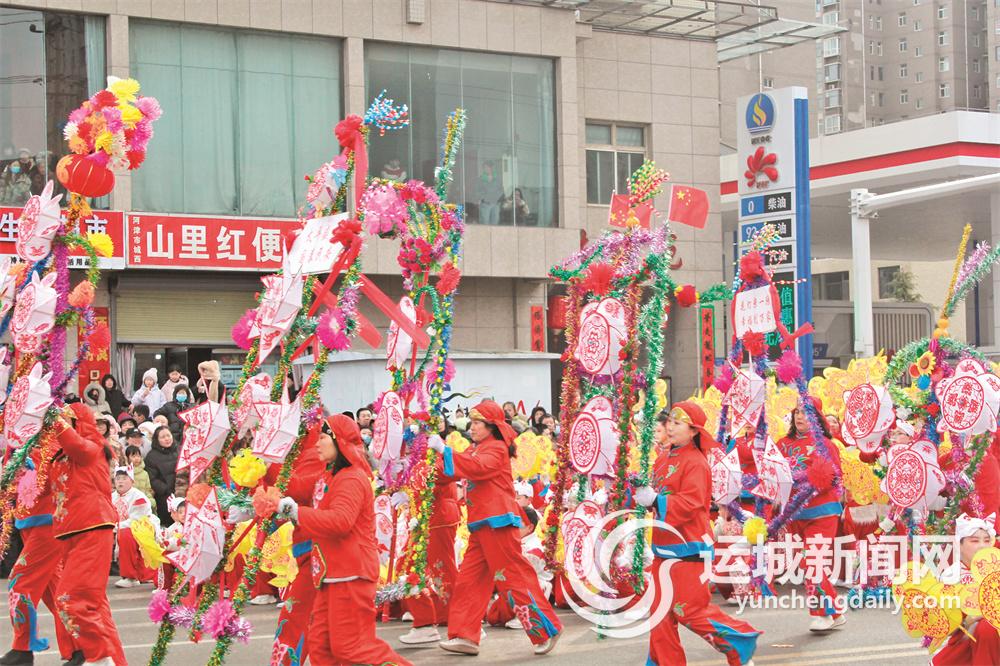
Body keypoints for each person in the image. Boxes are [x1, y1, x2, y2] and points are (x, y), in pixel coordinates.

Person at [428, 400, 562, 656]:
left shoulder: (497, 448)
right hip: (481, 525)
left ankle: (547, 630)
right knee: (469, 581)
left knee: (512, 578)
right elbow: (451, 471)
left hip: (498, 522)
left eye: (478, 423)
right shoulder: (476, 449)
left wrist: (444, 449)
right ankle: (465, 635)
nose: (473, 427)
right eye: (472, 422)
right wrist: (421, 465)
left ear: (492, 426)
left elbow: (475, 468)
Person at [276, 415, 412, 666]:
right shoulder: (329, 476)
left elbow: (340, 521)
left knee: (352, 648)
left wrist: (295, 512)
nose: (317, 443)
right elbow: (299, 492)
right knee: (321, 648)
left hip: (350, 574)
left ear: (339, 441)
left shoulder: (351, 478)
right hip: (330, 574)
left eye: (323, 438)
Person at [635, 402, 761, 666]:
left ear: (694, 431)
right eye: (669, 421)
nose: (670, 427)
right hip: (664, 546)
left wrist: (656, 500)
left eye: (677, 423)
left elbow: (691, 503)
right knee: (659, 615)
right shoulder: (663, 458)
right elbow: (656, 496)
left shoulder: (696, 462)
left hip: (689, 548)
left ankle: (739, 644)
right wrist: (641, 494)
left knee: (690, 611)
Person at [51, 403, 127, 666]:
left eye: (67, 421)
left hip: (92, 528)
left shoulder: (92, 448)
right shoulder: (62, 456)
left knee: (70, 599)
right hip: (70, 532)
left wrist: (52, 416)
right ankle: (112, 659)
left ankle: (99, 657)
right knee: (92, 604)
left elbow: (74, 444)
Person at [0, 448, 80, 666]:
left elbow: (55, 473)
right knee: (56, 593)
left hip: (47, 522)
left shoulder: (46, 434)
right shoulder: (15, 439)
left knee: (19, 582)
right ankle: (80, 647)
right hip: (28, 521)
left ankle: (22, 648)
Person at [776, 398, 845, 632]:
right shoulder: (782, 444)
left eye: (806, 412)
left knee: (812, 562)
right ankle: (835, 611)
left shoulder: (825, 444)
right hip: (795, 515)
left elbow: (836, 477)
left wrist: (816, 480)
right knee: (809, 563)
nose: (800, 416)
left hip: (822, 513)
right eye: (797, 411)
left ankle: (822, 614)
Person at [267, 423, 327, 665]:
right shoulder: (298, 454)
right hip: (312, 548)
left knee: (298, 614)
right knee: (324, 626)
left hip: (321, 550)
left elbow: (300, 489)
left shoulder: (315, 453)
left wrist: (269, 465)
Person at [399, 459, 461, 645]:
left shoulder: (436, 453)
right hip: (425, 518)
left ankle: (462, 620)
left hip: (437, 516)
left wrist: (408, 479)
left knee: (442, 571)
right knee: (407, 567)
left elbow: (447, 471)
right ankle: (426, 621)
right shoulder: (416, 455)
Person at [931, 514, 1000, 664]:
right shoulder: (951, 576)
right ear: (959, 545)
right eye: (974, 541)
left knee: (987, 628)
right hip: (966, 641)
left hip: (994, 638)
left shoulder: (997, 569)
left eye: (987, 540)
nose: (982, 546)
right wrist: (968, 621)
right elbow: (946, 628)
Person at [111, 466, 156, 588]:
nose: (120, 481)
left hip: (141, 529)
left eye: (124, 478)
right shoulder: (111, 497)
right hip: (117, 528)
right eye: (118, 478)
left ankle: (130, 577)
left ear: (132, 481)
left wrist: (115, 527)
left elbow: (137, 520)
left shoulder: (138, 497)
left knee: (125, 534)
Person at [145, 426, 179, 526]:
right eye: (163, 437)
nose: (167, 439)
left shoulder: (179, 450)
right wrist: (166, 489)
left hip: (182, 492)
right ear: (157, 440)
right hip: (165, 496)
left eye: (168, 435)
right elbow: (152, 478)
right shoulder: (151, 457)